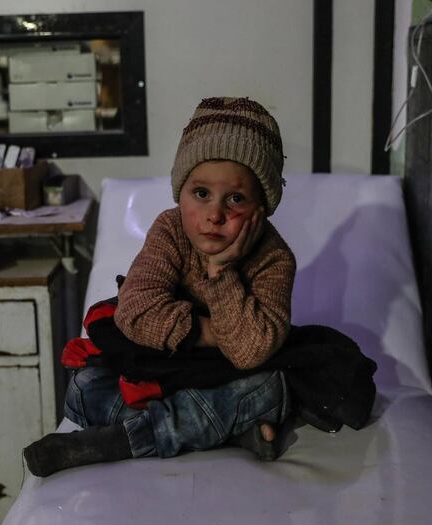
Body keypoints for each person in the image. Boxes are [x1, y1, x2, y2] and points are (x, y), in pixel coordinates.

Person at [24, 97, 296, 477]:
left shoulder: (274, 258)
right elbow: (135, 312)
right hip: (163, 374)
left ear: (262, 208)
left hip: (223, 378)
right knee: (84, 389)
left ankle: (123, 441)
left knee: (270, 388)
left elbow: (252, 351)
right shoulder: (170, 231)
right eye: (201, 194)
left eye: (235, 199)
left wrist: (221, 272)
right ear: (180, 192)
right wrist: (210, 331)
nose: (214, 215)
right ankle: (224, 432)